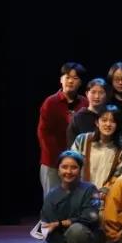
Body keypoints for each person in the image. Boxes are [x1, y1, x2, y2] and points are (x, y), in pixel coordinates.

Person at [35, 150, 101, 243]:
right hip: (60, 241)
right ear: (58, 170)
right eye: (64, 167)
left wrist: (60, 223)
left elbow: (90, 217)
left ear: (80, 170)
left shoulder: (90, 189)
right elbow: (46, 227)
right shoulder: (51, 195)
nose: (69, 172)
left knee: (75, 230)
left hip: (84, 238)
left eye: (74, 168)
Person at [38, 62, 86, 194]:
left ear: (80, 82)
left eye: (75, 78)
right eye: (67, 77)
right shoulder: (50, 102)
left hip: (77, 163)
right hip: (53, 163)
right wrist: (60, 160)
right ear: (61, 79)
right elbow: (43, 134)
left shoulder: (85, 103)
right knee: (53, 199)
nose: (70, 81)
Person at [71, 105, 122, 202]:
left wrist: (105, 190)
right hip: (80, 194)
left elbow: (119, 174)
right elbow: (72, 165)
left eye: (113, 121)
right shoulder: (82, 140)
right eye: (104, 120)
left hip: (105, 197)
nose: (108, 124)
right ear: (97, 122)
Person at [67, 78, 108, 145]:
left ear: (106, 95)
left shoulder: (110, 116)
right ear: (86, 94)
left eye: (101, 92)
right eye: (93, 92)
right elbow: (72, 144)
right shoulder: (78, 118)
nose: (97, 96)